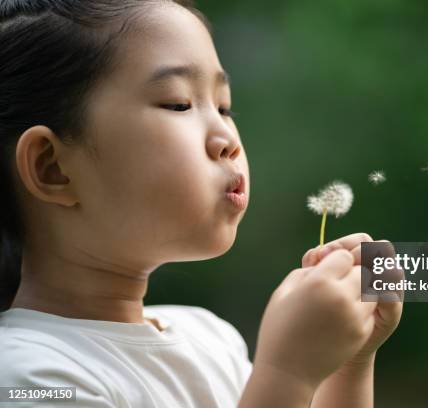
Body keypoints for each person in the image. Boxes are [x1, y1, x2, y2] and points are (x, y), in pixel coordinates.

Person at [0, 1, 403, 406]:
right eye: (178, 103)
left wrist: (346, 366)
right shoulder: (26, 374)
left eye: (224, 107)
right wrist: (288, 375)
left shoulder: (209, 339)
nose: (227, 139)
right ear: (52, 167)